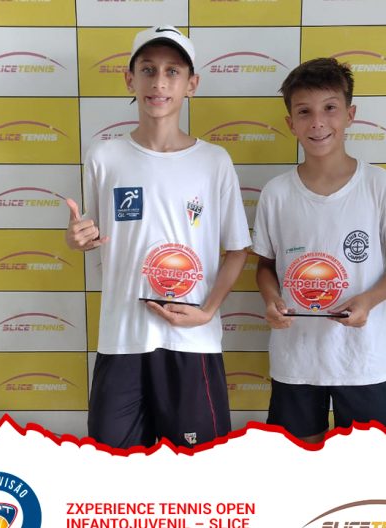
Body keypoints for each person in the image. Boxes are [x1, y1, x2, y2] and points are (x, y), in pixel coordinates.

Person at [65, 26, 251, 449]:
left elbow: (238, 249)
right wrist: (77, 239)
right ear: (129, 79)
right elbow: (92, 235)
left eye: (172, 71)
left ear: (191, 84)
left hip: (192, 340)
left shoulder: (214, 161)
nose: (159, 82)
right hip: (122, 338)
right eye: (148, 70)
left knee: (196, 466)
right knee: (114, 463)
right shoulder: (104, 155)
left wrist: (208, 311)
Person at [252, 57, 386, 443]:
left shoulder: (378, 185)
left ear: (349, 114)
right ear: (290, 123)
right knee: (296, 456)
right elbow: (264, 266)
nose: (317, 122)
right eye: (304, 112)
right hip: (296, 359)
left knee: (364, 464)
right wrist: (272, 299)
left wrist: (368, 301)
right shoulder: (277, 193)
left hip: (361, 360)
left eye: (329, 108)